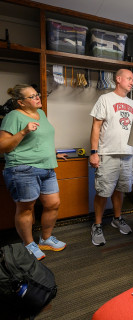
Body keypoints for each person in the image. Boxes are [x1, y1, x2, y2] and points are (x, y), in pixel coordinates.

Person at [0, 84, 67, 260]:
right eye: (32, 96)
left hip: (47, 167)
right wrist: (23, 131)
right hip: (23, 169)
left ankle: (45, 239)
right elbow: (3, 146)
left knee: (53, 203)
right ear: (21, 102)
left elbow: (42, 139)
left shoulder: (41, 114)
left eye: (37, 94)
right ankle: (29, 244)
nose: (38, 97)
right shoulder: (13, 116)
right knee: (26, 209)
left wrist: (54, 154)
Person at [89, 69, 133, 246]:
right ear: (118, 79)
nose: (131, 82)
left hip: (127, 155)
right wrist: (94, 152)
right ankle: (97, 225)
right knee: (103, 191)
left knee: (120, 189)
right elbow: (96, 126)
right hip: (107, 153)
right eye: (129, 78)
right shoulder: (105, 99)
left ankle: (117, 218)